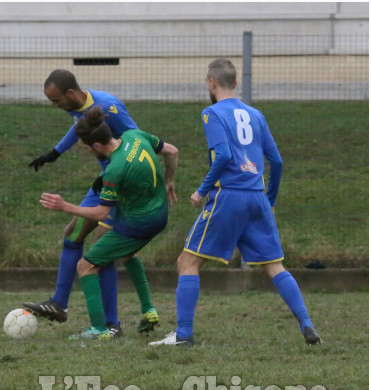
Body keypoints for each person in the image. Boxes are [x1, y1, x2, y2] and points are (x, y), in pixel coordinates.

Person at [150, 58, 321, 347]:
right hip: (257, 197)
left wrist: (201, 190)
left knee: (187, 262)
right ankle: (307, 324)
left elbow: (225, 156)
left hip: (228, 196)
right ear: (236, 83)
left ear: (211, 83)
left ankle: (184, 335)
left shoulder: (211, 113)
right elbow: (276, 161)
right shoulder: (256, 114)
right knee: (275, 266)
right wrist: (272, 200)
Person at [24, 69, 145, 336]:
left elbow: (138, 141)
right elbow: (78, 125)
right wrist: (55, 153)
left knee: (103, 247)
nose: (55, 106)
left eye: (56, 101)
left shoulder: (109, 107)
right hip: (106, 178)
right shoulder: (80, 108)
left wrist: (124, 178)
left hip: (122, 180)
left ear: (70, 94)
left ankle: (112, 324)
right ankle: (58, 304)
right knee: (73, 234)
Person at [40, 108, 178, 340]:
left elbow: (101, 213)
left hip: (138, 222)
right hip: (159, 213)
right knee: (127, 254)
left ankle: (100, 329)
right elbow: (172, 152)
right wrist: (169, 182)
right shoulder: (135, 136)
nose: (84, 152)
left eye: (84, 148)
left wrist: (65, 206)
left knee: (86, 266)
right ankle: (148, 309)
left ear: (96, 146)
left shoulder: (115, 169)